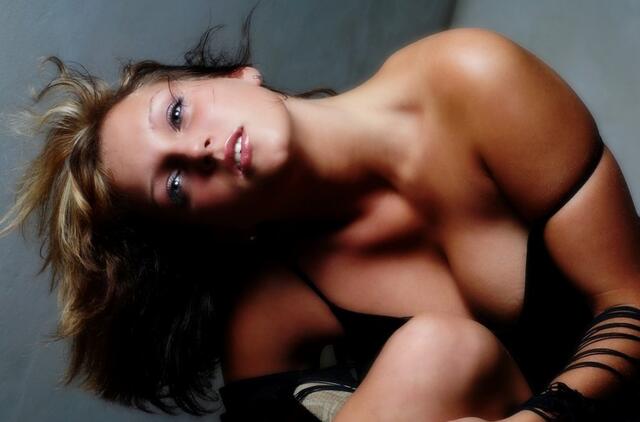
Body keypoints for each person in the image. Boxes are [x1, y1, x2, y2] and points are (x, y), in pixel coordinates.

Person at [3, 10, 640, 422]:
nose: (197, 150)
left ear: (237, 75)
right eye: (173, 185)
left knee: (435, 352)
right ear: (213, 228)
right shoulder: (272, 307)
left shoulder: (474, 79)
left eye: (176, 114)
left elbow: (629, 298)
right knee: (437, 356)